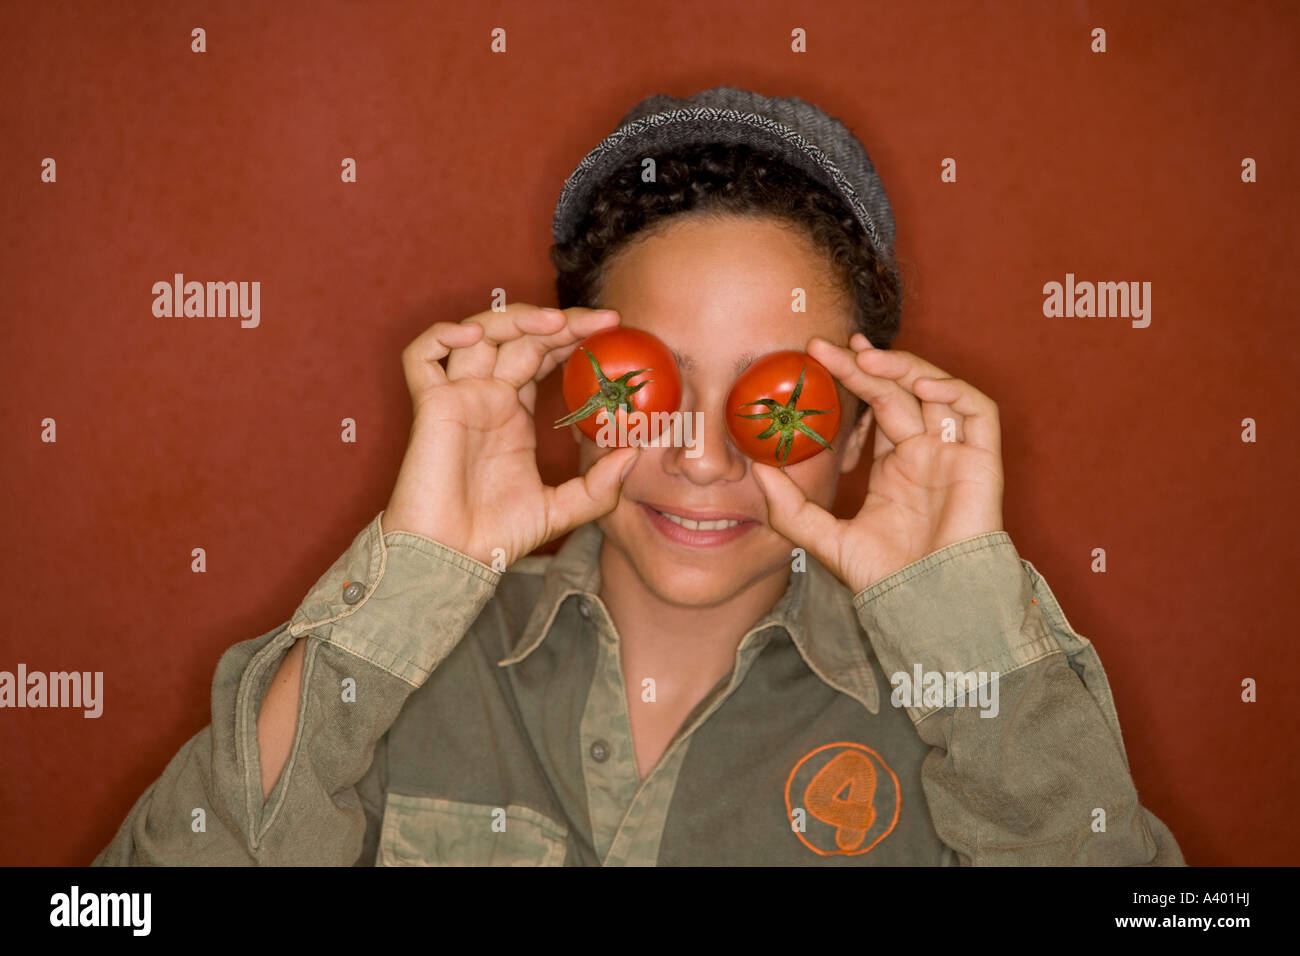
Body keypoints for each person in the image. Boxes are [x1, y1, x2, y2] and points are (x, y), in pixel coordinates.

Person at [93, 86, 1183, 865]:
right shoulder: (404, 679)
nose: (702, 455)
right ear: (566, 388)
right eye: (646, 382)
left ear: (861, 431)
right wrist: (413, 572)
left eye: (780, 400)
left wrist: (970, 628)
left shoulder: (959, 714)